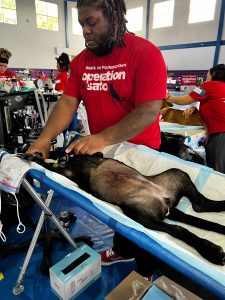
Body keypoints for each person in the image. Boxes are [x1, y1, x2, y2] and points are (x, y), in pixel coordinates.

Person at [27, 0, 167, 278]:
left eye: (91, 22)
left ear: (115, 17)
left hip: (140, 154)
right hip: (107, 153)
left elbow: (149, 110)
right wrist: (43, 140)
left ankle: (148, 274)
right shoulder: (82, 61)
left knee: (143, 217)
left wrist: (103, 137)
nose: (86, 31)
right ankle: (124, 250)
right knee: (116, 209)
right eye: (81, 24)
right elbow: (67, 103)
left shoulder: (145, 53)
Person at [166, 64, 225, 173]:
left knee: (217, 173)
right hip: (217, 133)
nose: (206, 79)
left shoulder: (208, 86)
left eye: (207, 75)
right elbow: (215, 108)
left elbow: (183, 100)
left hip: (221, 134)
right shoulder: (221, 88)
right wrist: (195, 109)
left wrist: (167, 97)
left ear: (214, 75)